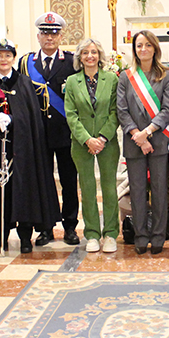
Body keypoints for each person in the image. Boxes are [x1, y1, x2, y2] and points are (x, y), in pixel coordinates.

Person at [0, 39, 59, 253]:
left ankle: (25, 237)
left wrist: (13, 119)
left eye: (8, 56)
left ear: (13, 58)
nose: (3, 60)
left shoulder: (23, 82)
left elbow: (30, 117)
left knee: (24, 193)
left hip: (22, 150)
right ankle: (1, 238)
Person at [19, 12, 80, 248]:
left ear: (61, 35)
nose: (49, 37)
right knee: (42, 182)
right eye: (45, 33)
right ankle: (45, 228)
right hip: (37, 134)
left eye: (54, 33)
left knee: (68, 181)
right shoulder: (26, 63)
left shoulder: (72, 61)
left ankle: (70, 227)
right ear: (38, 36)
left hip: (65, 132)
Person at [117, 30, 169, 255]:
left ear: (155, 48)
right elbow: (121, 110)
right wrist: (138, 136)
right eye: (139, 45)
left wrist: (148, 132)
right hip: (134, 143)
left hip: (158, 141)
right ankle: (141, 235)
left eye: (148, 45)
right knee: (138, 192)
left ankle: (159, 235)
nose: (143, 49)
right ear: (134, 49)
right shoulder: (125, 76)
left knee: (160, 191)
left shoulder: (165, 75)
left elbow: (168, 109)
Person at [64, 39, 120, 253]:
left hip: (108, 142)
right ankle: (93, 234)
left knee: (109, 188)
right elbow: (71, 114)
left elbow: (116, 111)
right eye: (85, 52)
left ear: (100, 55)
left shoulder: (112, 79)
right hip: (82, 143)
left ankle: (111, 234)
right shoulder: (71, 81)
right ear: (79, 57)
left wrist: (103, 138)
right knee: (87, 188)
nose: (90, 56)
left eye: (94, 52)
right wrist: (87, 139)